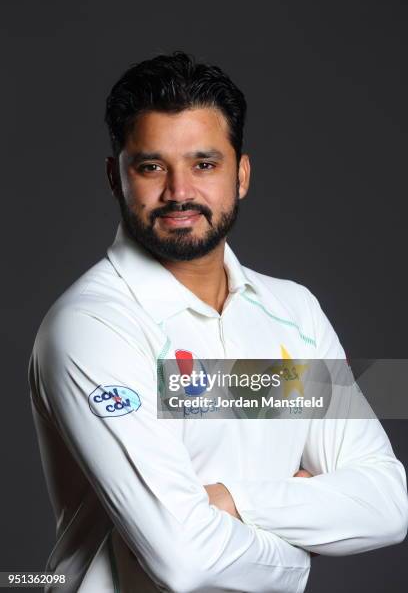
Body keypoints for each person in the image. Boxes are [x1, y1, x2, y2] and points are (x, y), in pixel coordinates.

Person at [29, 51, 408, 593]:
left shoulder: (294, 312)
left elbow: (388, 503)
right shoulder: (93, 325)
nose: (179, 192)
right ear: (116, 177)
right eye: (151, 166)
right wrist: (300, 546)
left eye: (204, 164)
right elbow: (186, 562)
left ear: (242, 174)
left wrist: (234, 500)